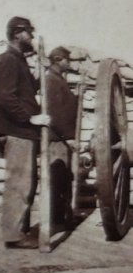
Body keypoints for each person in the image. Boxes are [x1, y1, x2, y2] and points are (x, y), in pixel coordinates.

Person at [0, 16, 51, 249]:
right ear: (17, 33)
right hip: (17, 130)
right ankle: (13, 236)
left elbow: (25, 91)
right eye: (28, 32)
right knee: (19, 183)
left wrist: (38, 73)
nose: (32, 37)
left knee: (25, 182)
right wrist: (29, 118)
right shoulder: (8, 60)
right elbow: (6, 96)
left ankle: (19, 231)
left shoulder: (19, 61)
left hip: (23, 132)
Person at [45, 46, 78, 228]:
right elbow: (55, 114)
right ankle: (58, 219)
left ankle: (62, 217)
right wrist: (68, 137)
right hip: (58, 139)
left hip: (62, 138)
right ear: (58, 59)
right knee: (58, 180)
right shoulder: (52, 80)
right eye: (67, 60)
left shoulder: (59, 80)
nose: (69, 63)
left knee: (63, 179)